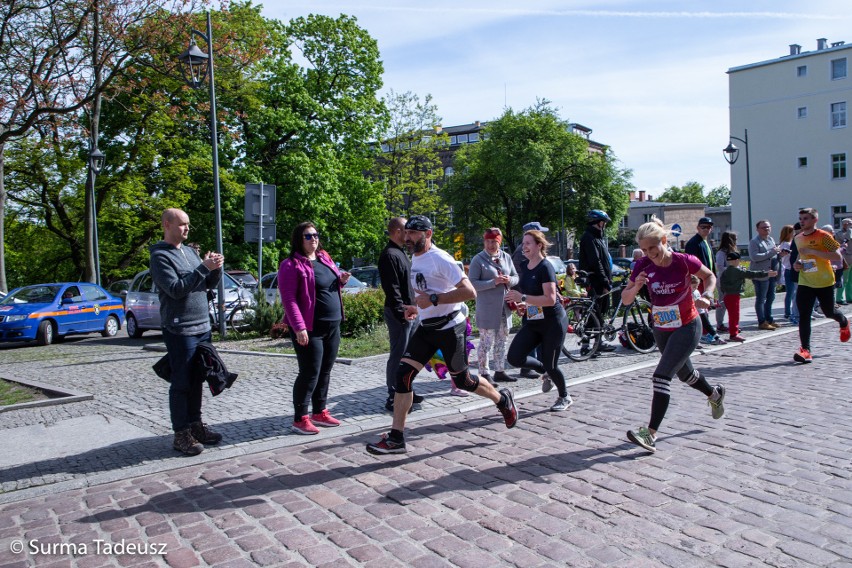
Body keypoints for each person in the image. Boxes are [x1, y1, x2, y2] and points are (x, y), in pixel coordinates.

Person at [366, 215, 518, 455]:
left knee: (464, 381)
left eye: (413, 234)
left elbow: (469, 292)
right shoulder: (414, 258)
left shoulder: (440, 258)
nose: (407, 238)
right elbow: (426, 292)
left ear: (428, 234)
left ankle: (502, 400)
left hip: (450, 328)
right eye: (406, 233)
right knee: (403, 375)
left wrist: (434, 299)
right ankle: (396, 438)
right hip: (427, 328)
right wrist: (417, 307)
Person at [621, 216, 726, 453]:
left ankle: (650, 434)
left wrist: (707, 296)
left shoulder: (683, 261)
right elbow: (625, 299)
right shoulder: (642, 266)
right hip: (662, 328)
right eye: (645, 250)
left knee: (661, 376)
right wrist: (636, 286)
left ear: (664, 241)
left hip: (688, 325)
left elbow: (710, 277)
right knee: (686, 375)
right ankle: (714, 393)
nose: (649, 254)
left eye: (653, 247)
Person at [149, 208, 224, 455]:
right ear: (167, 225)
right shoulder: (160, 256)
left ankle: (196, 425)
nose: (187, 228)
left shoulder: (191, 252)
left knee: (198, 379)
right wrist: (203, 267)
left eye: (188, 224)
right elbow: (175, 289)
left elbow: (205, 285)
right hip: (180, 328)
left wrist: (215, 269)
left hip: (202, 326)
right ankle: (181, 434)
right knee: (181, 383)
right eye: (182, 224)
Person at [279, 222, 349, 435]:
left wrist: (342, 281)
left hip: (332, 325)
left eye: (316, 235)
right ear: (299, 240)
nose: (314, 239)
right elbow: (289, 299)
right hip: (309, 328)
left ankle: (320, 411)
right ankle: (300, 418)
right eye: (308, 236)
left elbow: (328, 288)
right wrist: (299, 327)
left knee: (325, 370)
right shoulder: (291, 264)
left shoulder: (324, 258)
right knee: (310, 372)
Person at [505, 229, 572, 410]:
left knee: (552, 364)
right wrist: (523, 305)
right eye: (523, 243)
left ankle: (564, 397)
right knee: (514, 357)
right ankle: (545, 370)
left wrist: (523, 298)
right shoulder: (526, 267)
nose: (523, 247)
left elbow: (550, 299)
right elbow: (530, 296)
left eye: (528, 243)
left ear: (539, 245)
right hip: (534, 321)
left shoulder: (545, 267)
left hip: (553, 322)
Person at [792, 208, 850, 363]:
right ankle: (805, 351)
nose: (802, 221)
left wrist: (813, 251)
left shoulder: (824, 236)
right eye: (801, 218)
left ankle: (843, 321)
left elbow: (837, 255)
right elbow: (801, 255)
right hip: (805, 281)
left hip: (824, 281)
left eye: (805, 218)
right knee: (803, 315)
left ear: (814, 220)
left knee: (829, 312)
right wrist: (796, 264)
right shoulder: (798, 238)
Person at [378, 217, 422, 412]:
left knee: (410, 354)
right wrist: (400, 311)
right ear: (397, 232)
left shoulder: (401, 253)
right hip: (400, 313)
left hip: (410, 311)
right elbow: (392, 288)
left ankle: (407, 389)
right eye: (407, 231)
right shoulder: (389, 255)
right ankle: (393, 394)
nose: (409, 235)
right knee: (398, 354)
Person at [468, 227, 518, 385]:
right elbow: (472, 284)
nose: (491, 245)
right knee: (486, 342)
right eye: (488, 241)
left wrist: (509, 280)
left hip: (505, 308)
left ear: (499, 242)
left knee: (502, 340)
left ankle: (500, 371)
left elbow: (516, 277)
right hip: (487, 309)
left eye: (494, 242)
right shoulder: (478, 259)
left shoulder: (506, 257)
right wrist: (493, 282)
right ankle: (484, 372)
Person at [512, 221, 549, 377]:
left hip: (530, 297)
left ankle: (538, 363)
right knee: (534, 327)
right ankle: (530, 366)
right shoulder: (525, 252)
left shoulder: (522, 250)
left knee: (535, 326)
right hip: (531, 298)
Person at [579, 209, 615, 352]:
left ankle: (595, 343)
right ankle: (587, 345)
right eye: (604, 223)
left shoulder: (597, 238)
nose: (605, 226)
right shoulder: (589, 238)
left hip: (600, 279)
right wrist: (605, 281)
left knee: (599, 311)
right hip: (596, 281)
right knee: (594, 312)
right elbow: (596, 262)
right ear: (599, 223)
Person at [720, 252, 777, 343]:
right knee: (734, 315)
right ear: (736, 261)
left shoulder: (726, 271)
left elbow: (722, 284)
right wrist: (766, 274)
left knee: (732, 315)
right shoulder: (736, 271)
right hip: (733, 295)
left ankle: (733, 331)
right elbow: (750, 274)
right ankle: (733, 334)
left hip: (727, 295)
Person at [684, 216, 720, 343]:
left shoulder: (706, 242)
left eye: (709, 227)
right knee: (700, 307)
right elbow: (691, 264)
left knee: (705, 307)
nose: (706, 229)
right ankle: (704, 333)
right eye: (703, 227)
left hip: (706, 279)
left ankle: (705, 332)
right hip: (698, 280)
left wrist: (713, 277)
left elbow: (710, 263)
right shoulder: (694, 243)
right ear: (698, 228)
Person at [748, 220, 781, 330]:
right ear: (757, 229)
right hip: (760, 274)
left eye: (768, 227)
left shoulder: (770, 239)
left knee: (771, 297)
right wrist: (772, 253)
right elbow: (754, 257)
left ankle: (769, 319)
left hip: (772, 273)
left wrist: (780, 254)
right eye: (763, 227)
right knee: (761, 299)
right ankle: (761, 321)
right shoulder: (754, 242)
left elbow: (773, 255)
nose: (766, 229)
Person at [714, 231, 738, 332]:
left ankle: (733, 325)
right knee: (723, 303)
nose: (736, 241)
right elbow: (719, 266)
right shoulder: (721, 252)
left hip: (733, 280)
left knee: (732, 304)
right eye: (735, 239)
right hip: (723, 280)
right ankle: (719, 324)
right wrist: (731, 269)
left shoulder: (732, 252)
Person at [778, 225, 797, 323]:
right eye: (792, 232)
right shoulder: (785, 244)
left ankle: (789, 311)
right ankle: (787, 312)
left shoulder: (789, 243)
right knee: (790, 292)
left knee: (792, 292)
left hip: (790, 268)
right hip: (788, 269)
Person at [835, 218, 852, 304]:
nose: (850, 225)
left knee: (851, 280)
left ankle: (850, 297)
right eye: (848, 223)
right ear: (844, 224)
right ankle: (839, 298)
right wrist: (849, 230)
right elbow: (847, 239)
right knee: (844, 280)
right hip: (845, 258)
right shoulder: (839, 234)